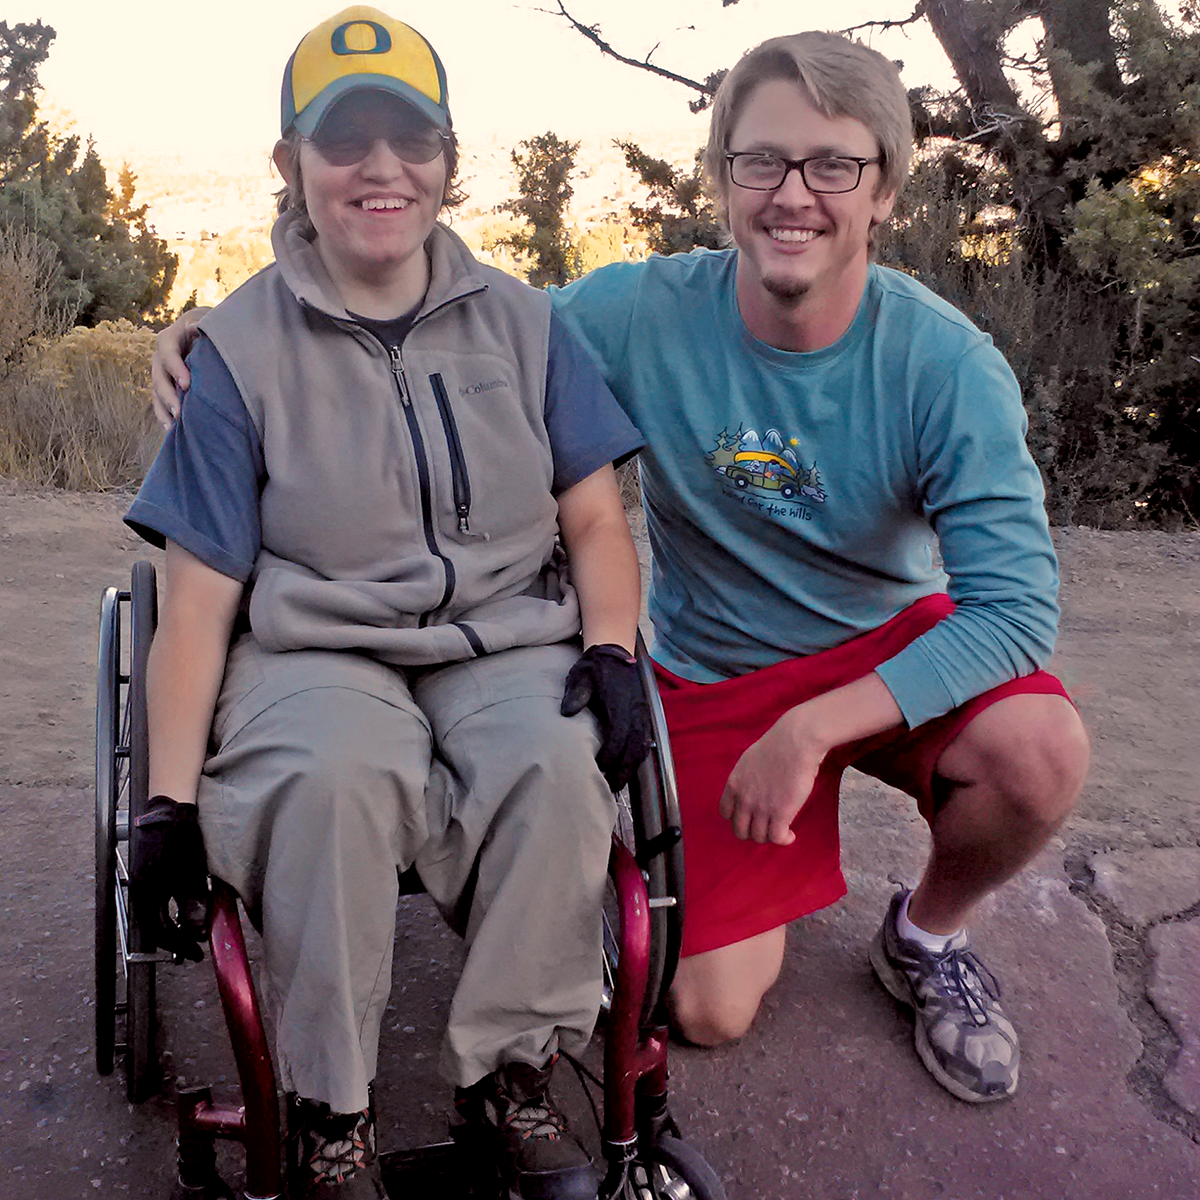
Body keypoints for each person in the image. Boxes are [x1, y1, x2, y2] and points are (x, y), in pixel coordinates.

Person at [153, 31, 1091, 1109]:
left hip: (882, 653)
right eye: (762, 162)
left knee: (1039, 746)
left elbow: (1016, 611)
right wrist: (217, 335)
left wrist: (818, 727)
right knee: (705, 1011)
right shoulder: (633, 313)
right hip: (718, 674)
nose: (795, 195)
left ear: (883, 191)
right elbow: (432, 322)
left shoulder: (946, 364)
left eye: (834, 165)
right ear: (724, 178)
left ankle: (926, 937)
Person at [129, 8, 650, 1199]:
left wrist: (613, 649)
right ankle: (332, 1113)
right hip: (316, 645)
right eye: (342, 140)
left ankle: (509, 1081)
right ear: (290, 167)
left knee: (554, 769)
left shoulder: (525, 323)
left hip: (502, 631)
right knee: (333, 778)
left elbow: (594, 520)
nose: (380, 169)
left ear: (448, 161)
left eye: (409, 140)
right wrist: (164, 800)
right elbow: (198, 596)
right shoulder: (239, 353)